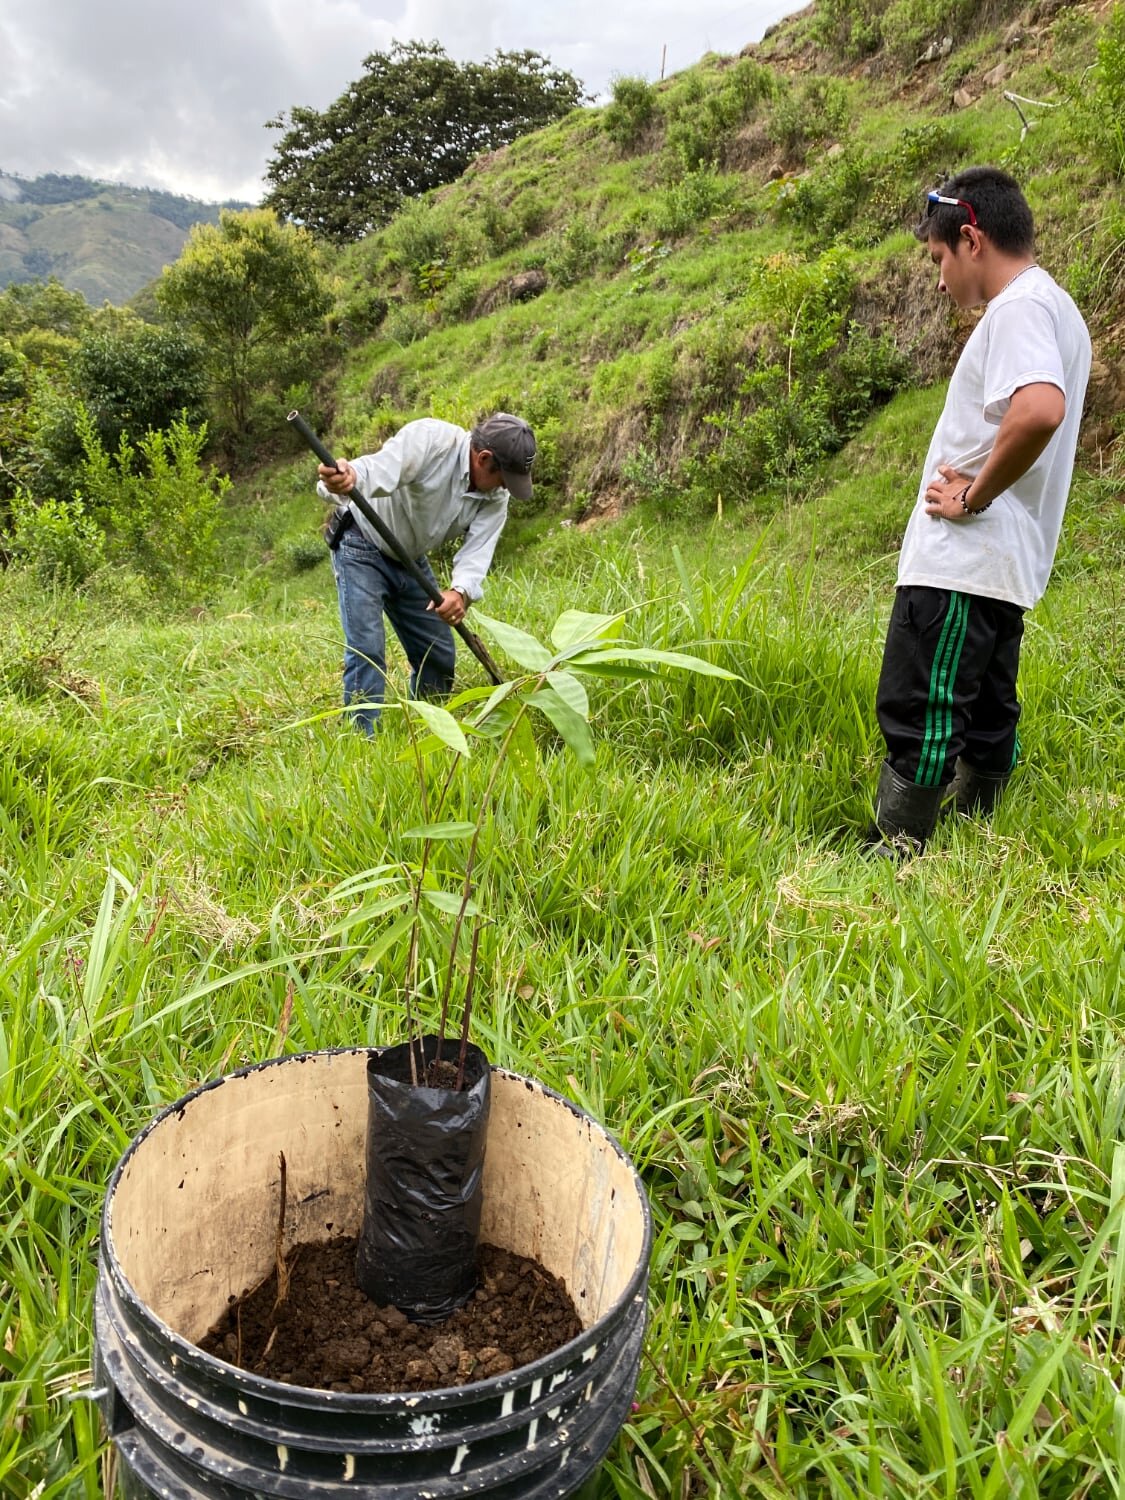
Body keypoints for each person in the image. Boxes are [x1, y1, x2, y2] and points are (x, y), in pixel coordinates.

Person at [870, 166, 1091, 853]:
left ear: (971, 239)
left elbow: (1038, 410)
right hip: (1000, 564)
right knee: (987, 707)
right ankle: (979, 828)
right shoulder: (1055, 306)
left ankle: (897, 849)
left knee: (922, 707)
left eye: (937, 260)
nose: (938, 281)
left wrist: (971, 494)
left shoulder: (1018, 308)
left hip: (962, 562)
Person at [317, 412, 536, 733]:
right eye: (504, 477)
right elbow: (378, 469)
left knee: (439, 654)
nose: (505, 487)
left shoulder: (495, 496)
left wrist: (460, 592)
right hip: (361, 542)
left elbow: (479, 550)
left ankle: (424, 732)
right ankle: (359, 741)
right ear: (484, 458)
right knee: (367, 650)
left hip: (410, 558)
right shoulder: (432, 441)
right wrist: (346, 477)